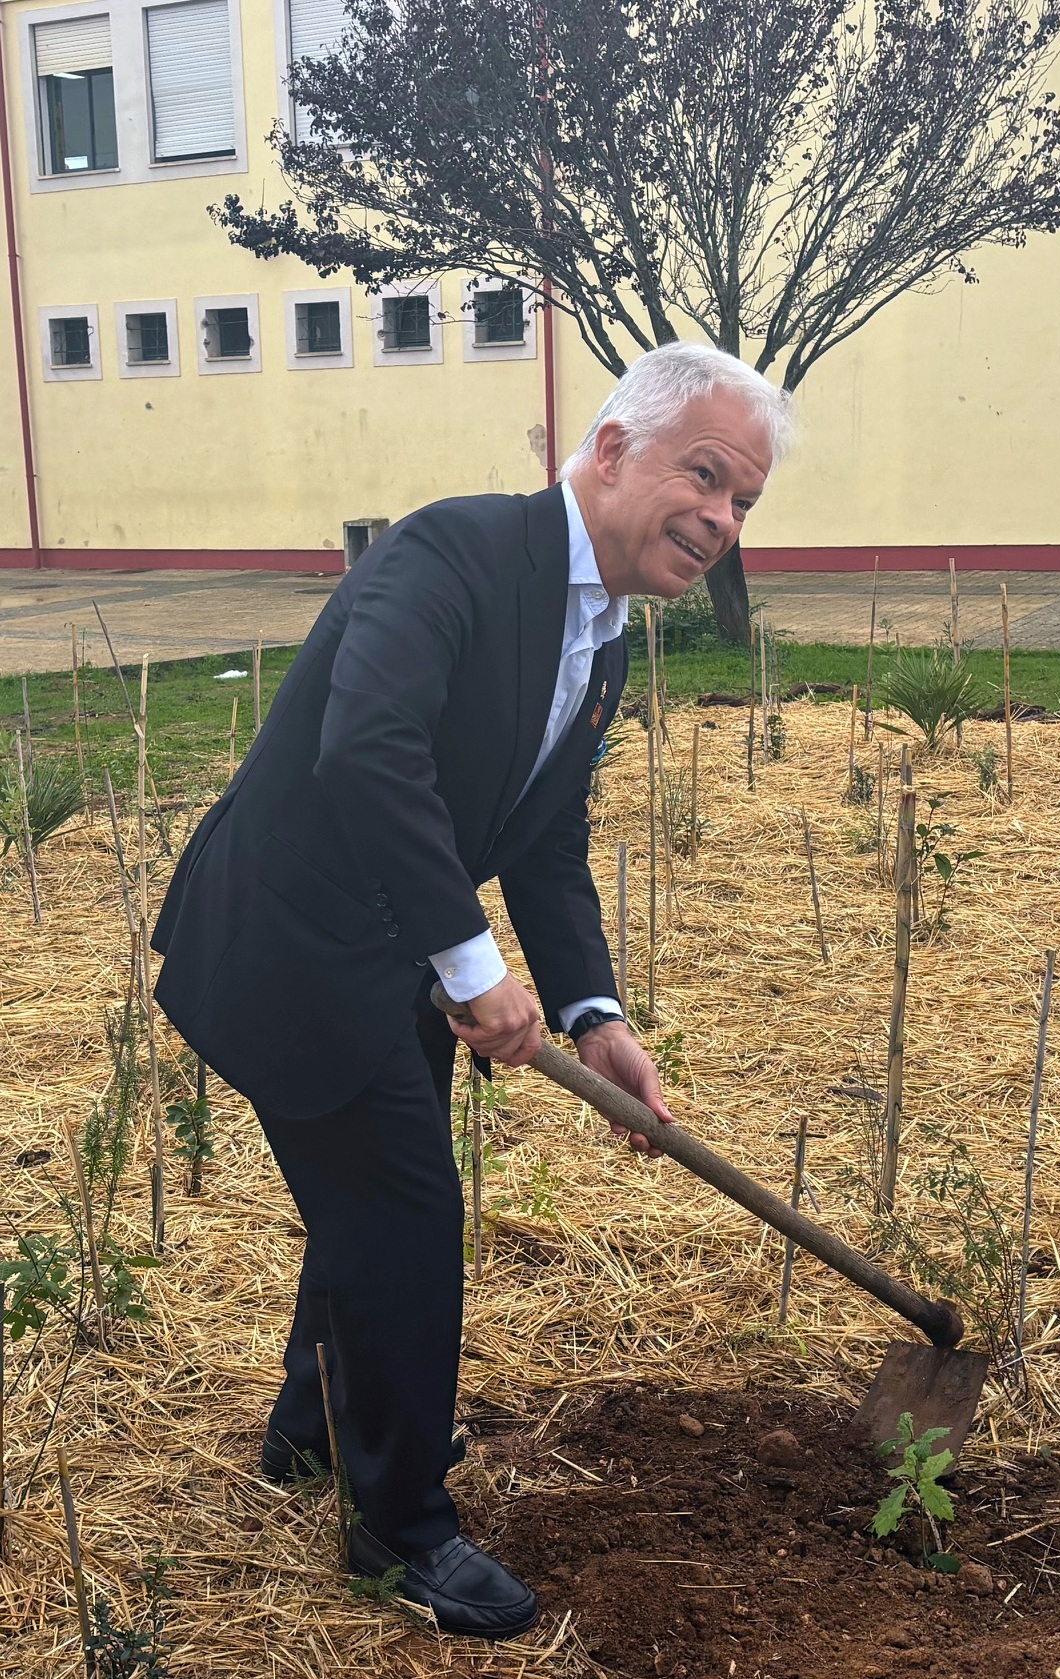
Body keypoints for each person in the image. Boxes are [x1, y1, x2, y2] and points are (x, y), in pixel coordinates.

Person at [151, 342, 794, 1640]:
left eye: (745, 505)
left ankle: (310, 1438)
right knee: (403, 1221)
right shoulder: (451, 554)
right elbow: (368, 749)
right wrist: (472, 964)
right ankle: (403, 1536)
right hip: (291, 948)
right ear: (613, 450)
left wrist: (592, 1014)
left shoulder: (602, 640)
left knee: (369, 1213)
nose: (723, 522)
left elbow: (545, 844)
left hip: (389, 956)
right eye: (707, 479)